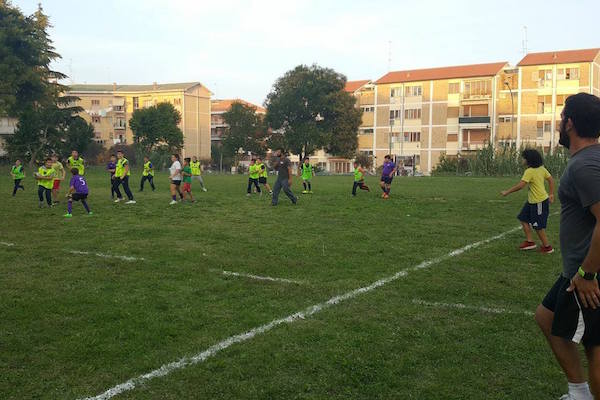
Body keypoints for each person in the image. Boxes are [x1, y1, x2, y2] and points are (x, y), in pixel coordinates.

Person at [534, 93, 600, 400]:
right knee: (546, 317)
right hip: (576, 271)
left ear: (570, 123)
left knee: (595, 351)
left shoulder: (583, 166)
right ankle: (578, 391)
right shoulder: (591, 159)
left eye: (562, 117)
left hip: (588, 276)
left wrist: (587, 274)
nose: (560, 123)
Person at [501, 149, 555, 254]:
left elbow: (521, 186)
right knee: (523, 218)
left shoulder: (529, 171)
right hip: (531, 201)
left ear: (529, 160)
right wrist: (551, 193)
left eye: (524, 158)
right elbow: (551, 180)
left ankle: (547, 247)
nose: (522, 160)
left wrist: (507, 192)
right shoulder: (541, 169)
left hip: (539, 202)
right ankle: (530, 242)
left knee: (537, 226)